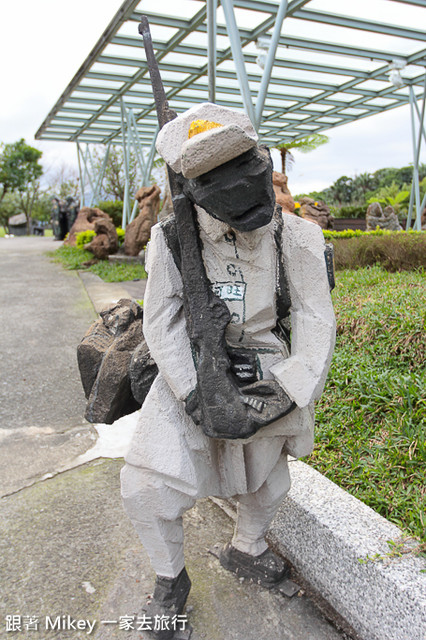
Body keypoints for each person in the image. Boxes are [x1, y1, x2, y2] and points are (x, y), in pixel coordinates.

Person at [121, 103, 336, 639]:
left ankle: (248, 547)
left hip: (271, 370)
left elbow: (314, 317)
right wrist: (196, 393)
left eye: (251, 171)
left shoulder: (301, 238)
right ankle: (170, 580)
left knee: (267, 480)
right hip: (189, 368)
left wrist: (287, 391)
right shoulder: (170, 240)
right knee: (146, 483)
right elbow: (163, 319)